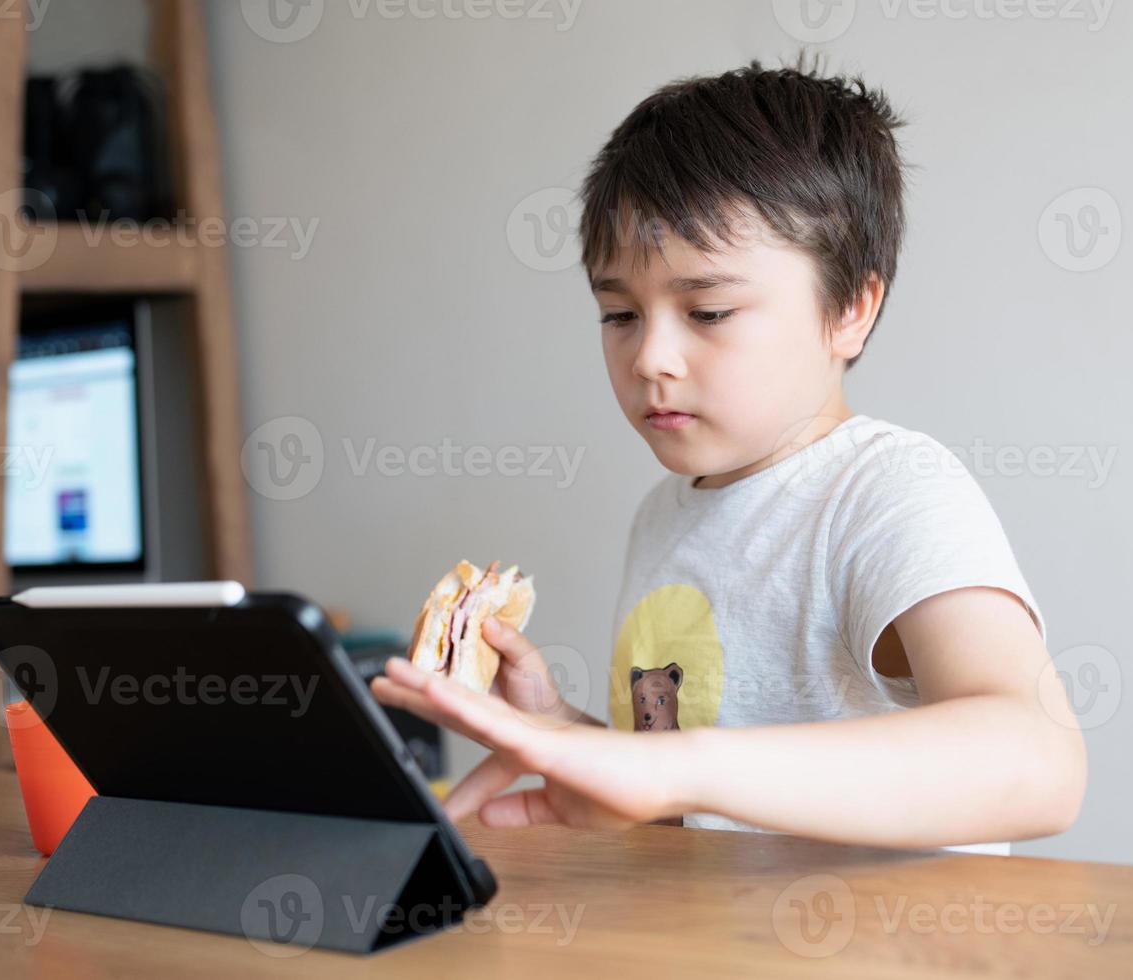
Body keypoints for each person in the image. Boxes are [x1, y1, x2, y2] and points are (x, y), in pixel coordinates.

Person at [371, 55, 1086, 851]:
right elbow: (690, 808)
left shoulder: (886, 493)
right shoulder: (665, 515)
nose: (650, 358)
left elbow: (1040, 762)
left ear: (850, 309)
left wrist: (684, 768)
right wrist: (565, 733)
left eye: (707, 312)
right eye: (619, 315)